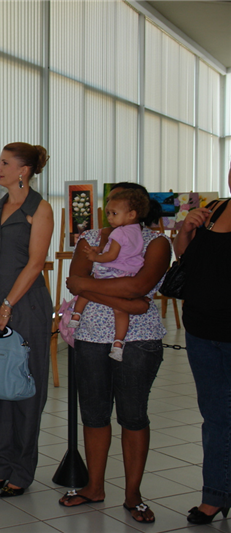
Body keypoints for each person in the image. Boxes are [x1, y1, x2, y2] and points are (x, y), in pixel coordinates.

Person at [58, 182, 170, 524]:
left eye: (117, 206)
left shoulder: (157, 243)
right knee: (93, 414)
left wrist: (97, 289)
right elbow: (75, 282)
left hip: (139, 340)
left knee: (133, 415)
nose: (110, 212)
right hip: (91, 336)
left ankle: (133, 494)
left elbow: (139, 286)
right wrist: (129, 302)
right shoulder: (89, 240)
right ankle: (94, 487)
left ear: (136, 211)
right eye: (109, 207)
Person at [0, 142, 54, 497]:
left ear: (23, 170)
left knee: (25, 390)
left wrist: (7, 306)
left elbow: (36, 263)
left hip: (26, 309)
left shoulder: (42, 210)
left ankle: (22, 470)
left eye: (4, 163)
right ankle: (0, 466)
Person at [174, 161, 231, 525]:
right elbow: (185, 257)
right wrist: (186, 229)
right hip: (201, 330)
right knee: (215, 417)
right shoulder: (216, 209)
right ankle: (215, 495)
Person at [69, 189, 150, 361]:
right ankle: (118, 343)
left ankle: (76, 316)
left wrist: (95, 257)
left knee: (86, 289)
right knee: (121, 312)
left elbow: (111, 255)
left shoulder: (119, 232)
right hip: (128, 273)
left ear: (131, 214)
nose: (110, 218)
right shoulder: (138, 231)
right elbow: (122, 251)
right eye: (108, 213)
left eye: (114, 213)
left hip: (112, 272)